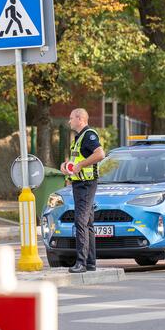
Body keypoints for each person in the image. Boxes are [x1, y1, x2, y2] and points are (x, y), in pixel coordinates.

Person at [60, 108, 105, 273]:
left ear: (80, 118)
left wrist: (81, 165)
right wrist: (66, 167)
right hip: (79, 184)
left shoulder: (88, 135)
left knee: (80, 221)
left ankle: (81, 263)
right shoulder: (78, 139)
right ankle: (90, 263)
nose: (69, 121)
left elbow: (100, 154)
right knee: (88, 223)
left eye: (71, 118)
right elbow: (74, 161)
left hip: (86, 184)